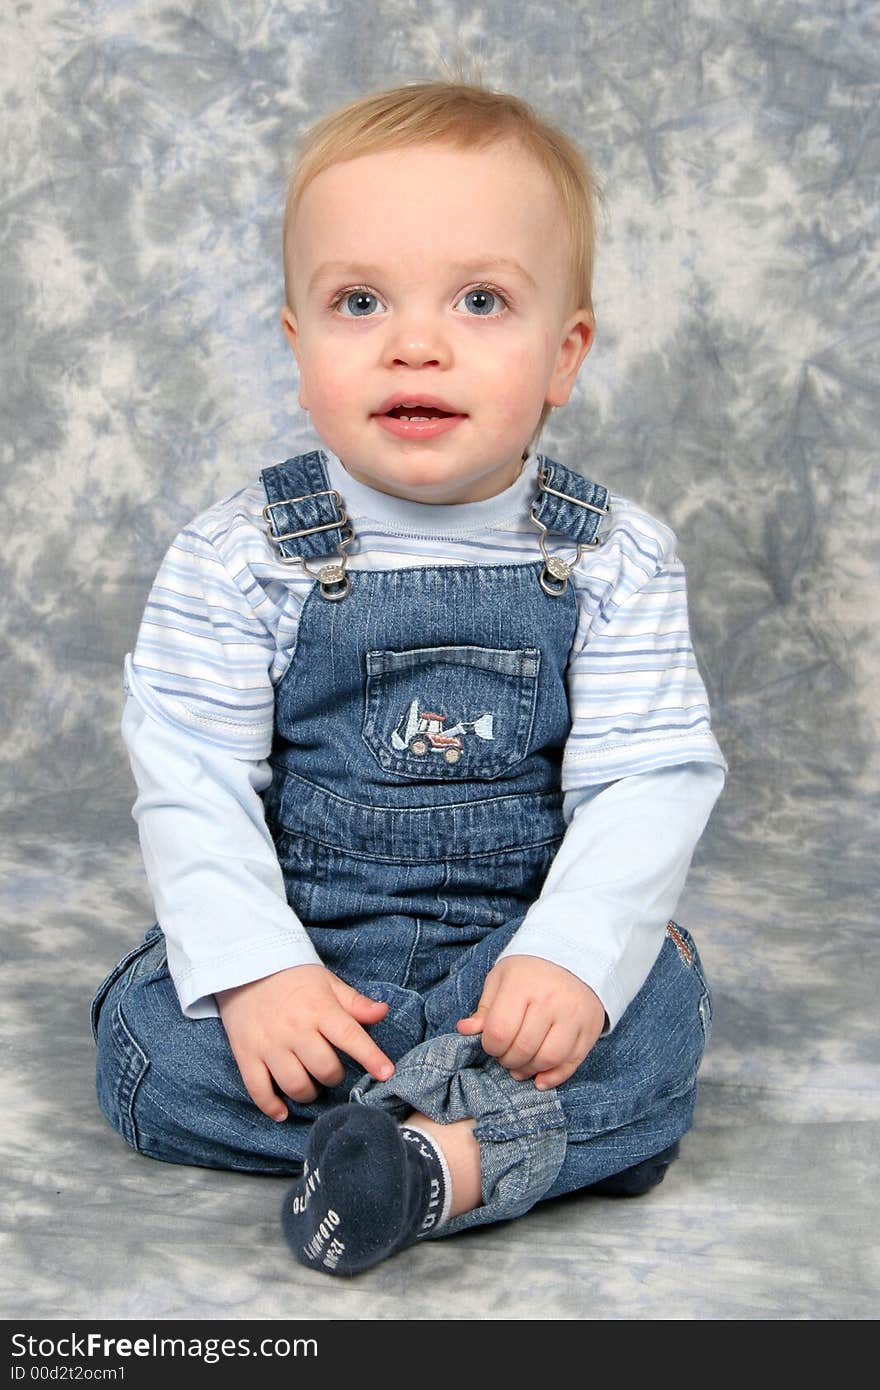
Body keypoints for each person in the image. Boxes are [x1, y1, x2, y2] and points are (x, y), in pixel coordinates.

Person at [91, 79, 727, 1277]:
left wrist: (572, 959)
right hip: (318, 962)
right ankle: (487, 1144)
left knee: (655, 1024)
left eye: (481, 300)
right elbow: (190, 779)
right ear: (296, 343)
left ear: (563, 354)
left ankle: (427, 1163)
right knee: (148, 1047)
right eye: (359, 300)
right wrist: (259, 973)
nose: (415, 340)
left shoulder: (611, 557)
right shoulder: (244, 554)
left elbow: (647, 779)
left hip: (514, 960)